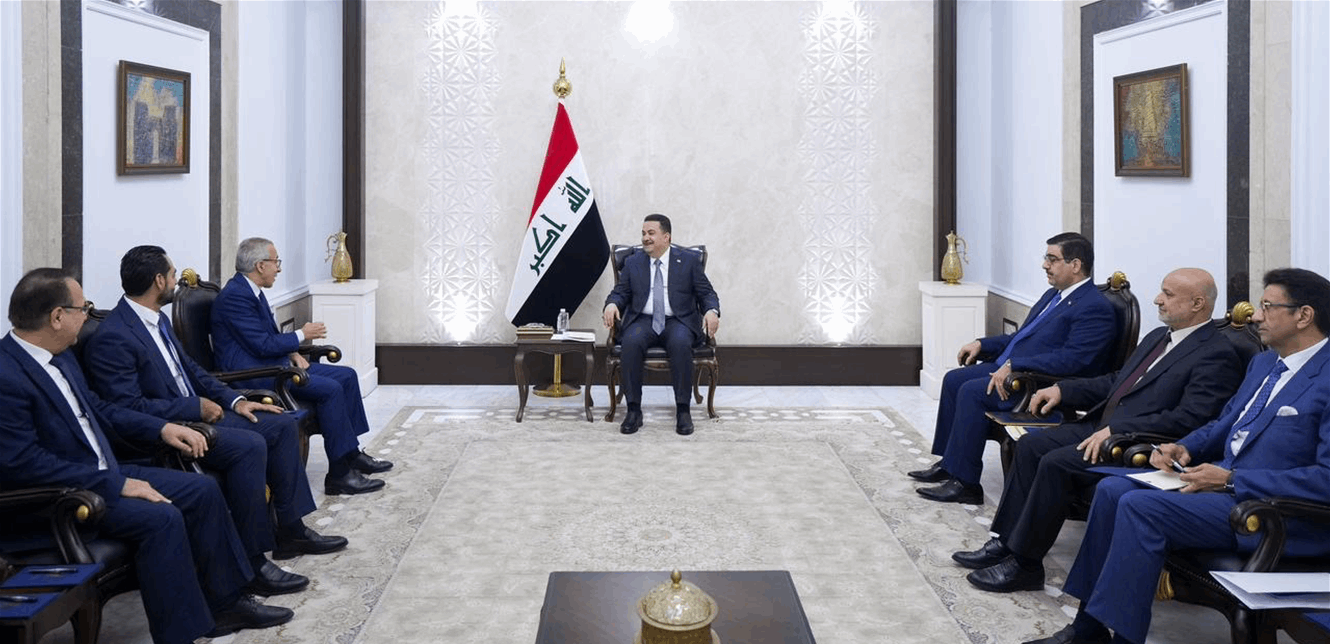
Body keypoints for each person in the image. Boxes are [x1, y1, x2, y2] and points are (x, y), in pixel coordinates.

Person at [1027, 268, 1330, 644]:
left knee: (1140, 507)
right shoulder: (1265, 363)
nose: (1255, 315)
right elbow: (1224, 423)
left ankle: (1123, 638)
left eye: (1268, 306)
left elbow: (1326, 479)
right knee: (1111, 490)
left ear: (1304, 315)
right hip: (1222, 484)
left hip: (1271, 512)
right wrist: (1184, 447)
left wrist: (1232, 480)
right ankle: (1087, 628)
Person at [0, 268, 293, 642]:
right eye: (82, 308)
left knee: (202, 491)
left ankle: (227, 603)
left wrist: (163, 428)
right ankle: (179, 635)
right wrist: (119, 484)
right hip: (63, 499)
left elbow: (100, 410)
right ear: (57, 316)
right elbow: (24, 464)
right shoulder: (7, 375)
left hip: (104, 473)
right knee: (162, 517)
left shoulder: (61, 356)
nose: (86, 316)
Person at [954, 268, 1245, 593]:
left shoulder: (1216, 354)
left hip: (1134, 443)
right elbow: (1118, 381)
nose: (1157, 299)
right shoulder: (1158, 336)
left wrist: (1118, 429)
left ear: (1197, 303)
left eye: (1168, 294)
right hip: (1101, 427)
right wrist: (1064, 390)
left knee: (1055, 463)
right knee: (1029, 446)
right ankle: (1005, 542)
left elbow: (1190, 419)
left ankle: (1025, 564)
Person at [83, 245, 348, 563]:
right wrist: (194, 408)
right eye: (172, 275)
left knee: (282, 424)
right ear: (158, 281)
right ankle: (252, 558)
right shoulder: (114, 336)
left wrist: (236, 400)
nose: (174, 281)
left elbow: (192, 370)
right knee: (251, 445)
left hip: (199, 412)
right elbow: (129, 407)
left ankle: (290, 531)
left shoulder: (158, 319)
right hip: (174, 427)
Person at [913, 232, 1118, 504]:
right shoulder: (1054, 295)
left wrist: (1016, 364)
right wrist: (982, 343)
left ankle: (966, 484)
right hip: (1012, 369)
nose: (1045, 265)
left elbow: (1075, 360)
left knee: (972, 392)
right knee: (953, 379)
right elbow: (1022, 336)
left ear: (1075, 265)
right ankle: (950, 464)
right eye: (1046, 258)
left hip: (1037, 383)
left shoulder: (1094, 307)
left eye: (1052, 259)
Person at [210, 237, 392, 495]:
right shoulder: (235, 297)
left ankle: (351, 453)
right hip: (253, 375)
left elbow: (263, 338)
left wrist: (293, 352)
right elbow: (262, 345)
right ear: (260, 265)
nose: (279, 268)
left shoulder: (250, 290)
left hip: (275, 363)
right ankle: (339, 475)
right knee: (330, 390)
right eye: (276, 262)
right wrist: (301, 334)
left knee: (347, 376)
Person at [603, 213, 720, 435]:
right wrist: (611, 304)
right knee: (631, 341)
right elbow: (620, 292)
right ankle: (633, 410)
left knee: (680, 343)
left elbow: (707, 293)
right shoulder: (633, 262)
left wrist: (711, 311)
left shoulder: (688, 261)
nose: (645, 238)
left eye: (651, 233)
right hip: (643, 319)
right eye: (643, 233)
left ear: (666, 237)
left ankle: (683, 410)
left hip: (678, 319)